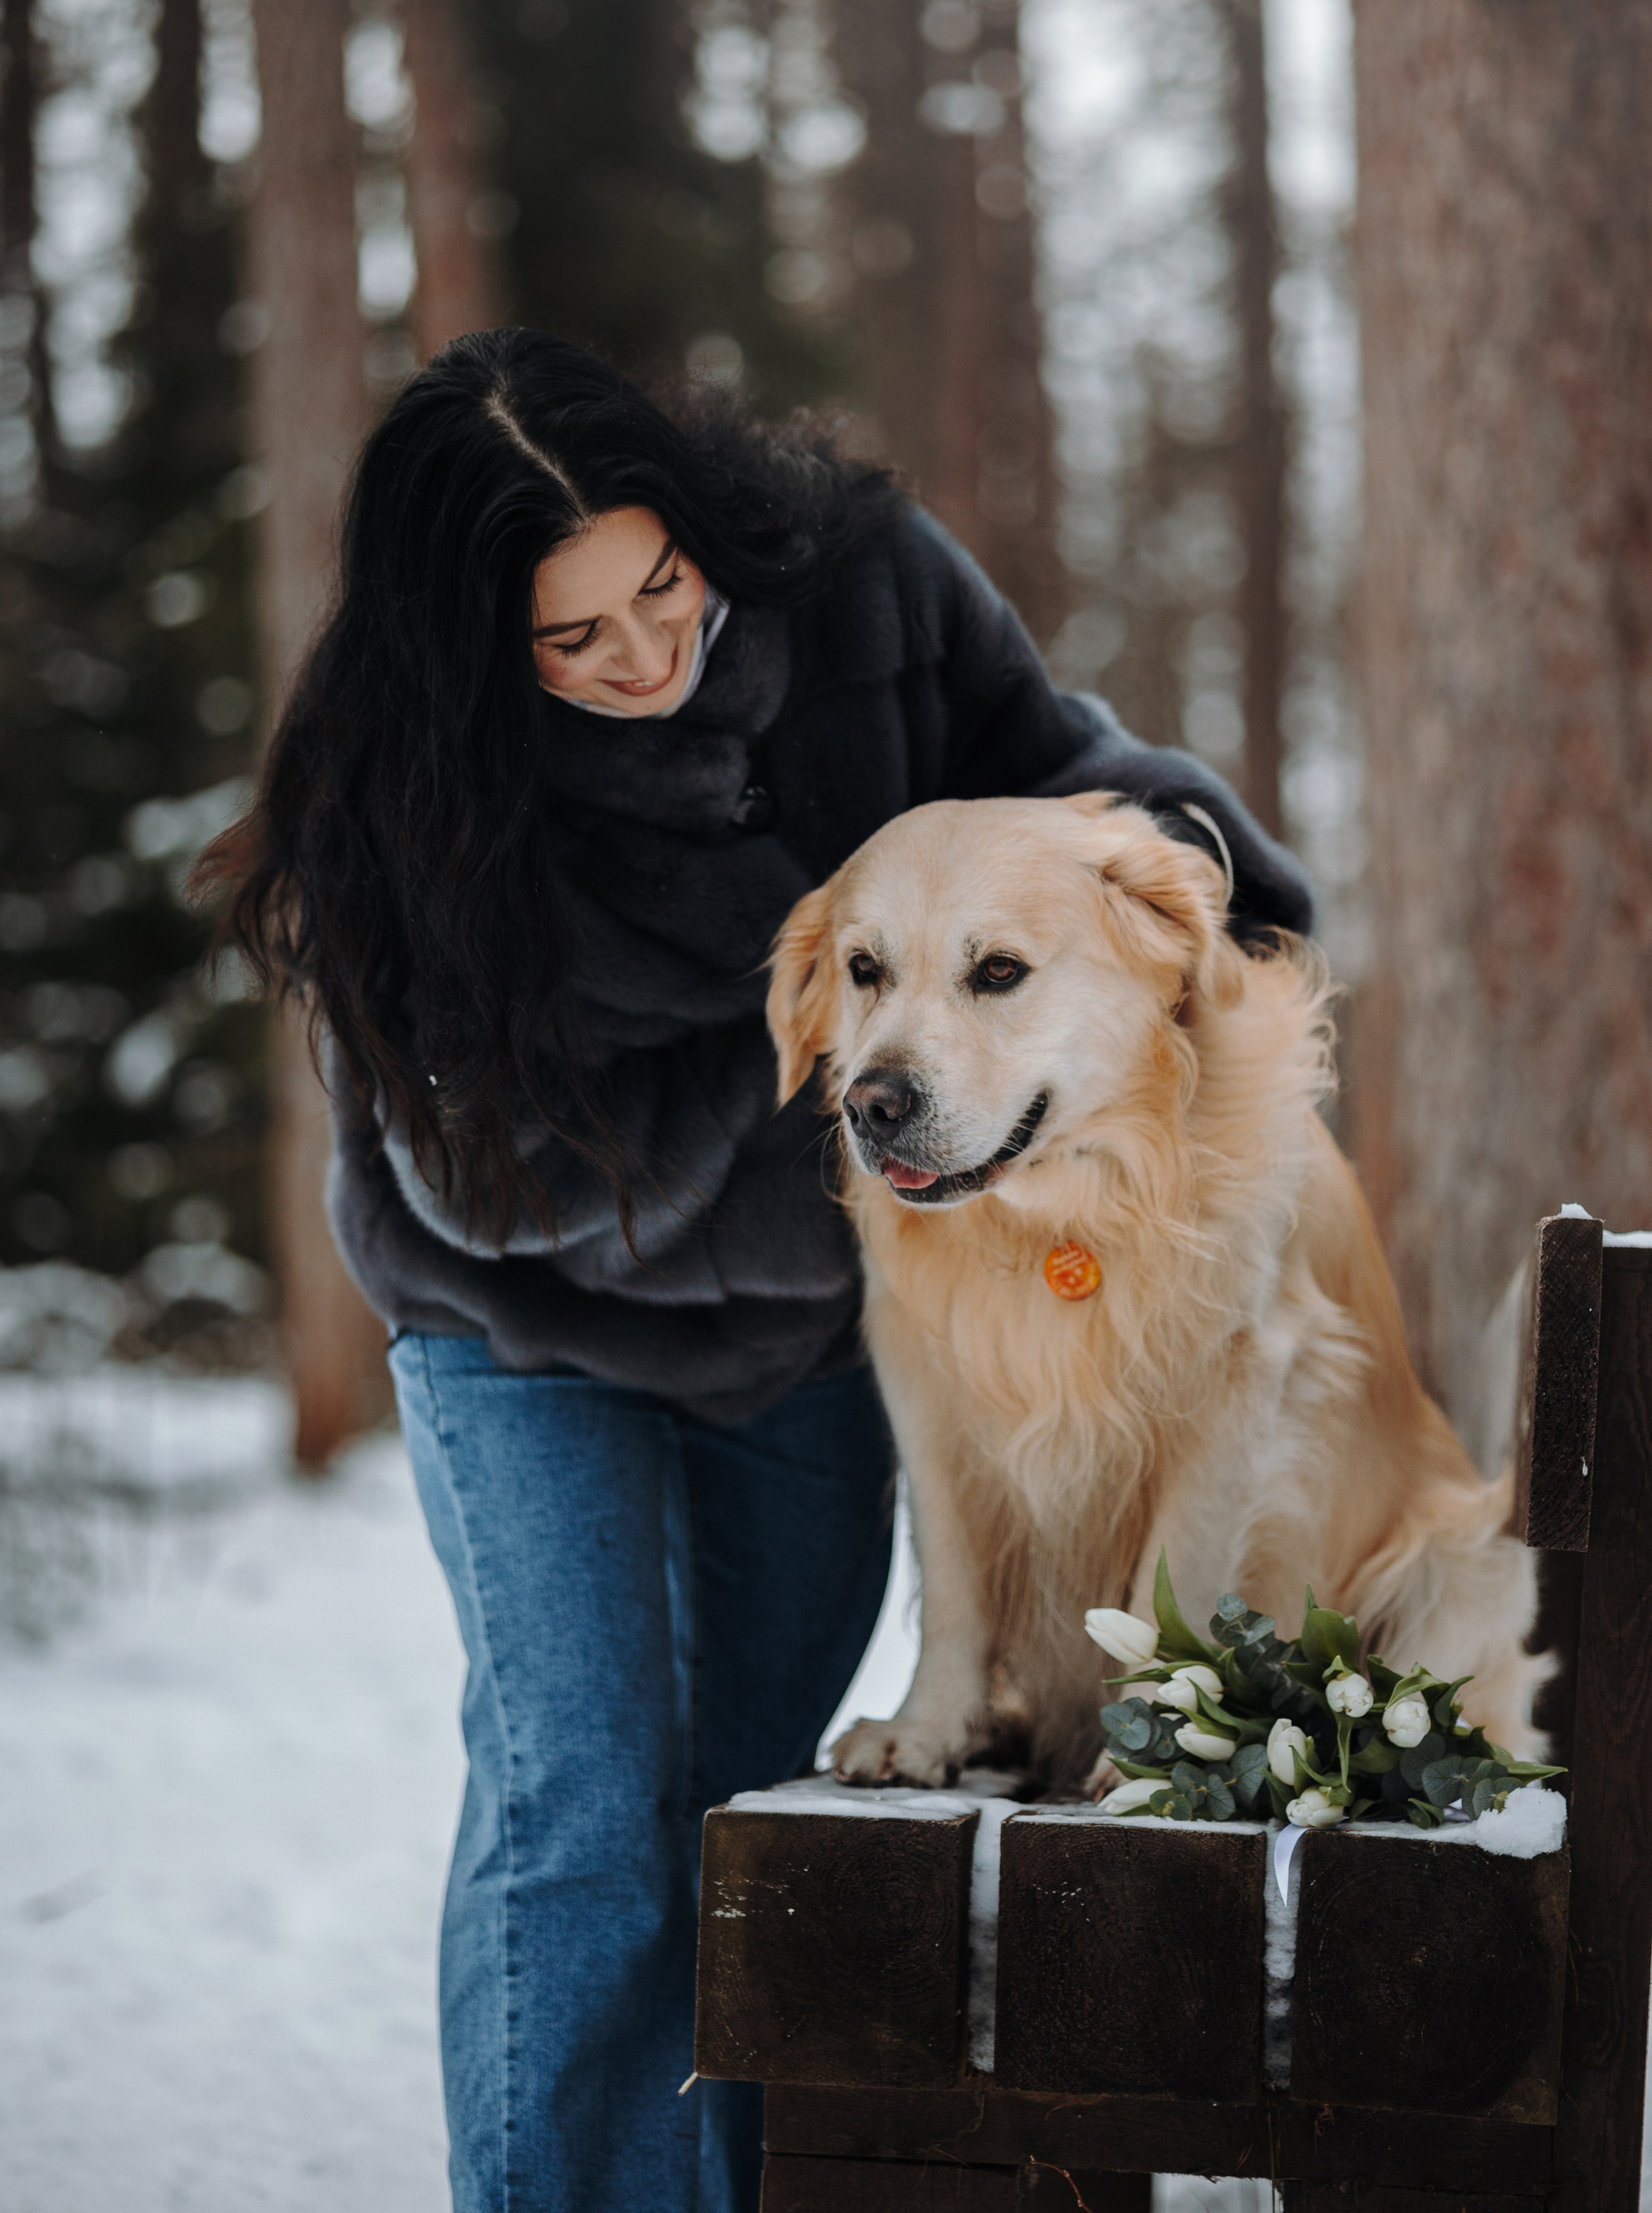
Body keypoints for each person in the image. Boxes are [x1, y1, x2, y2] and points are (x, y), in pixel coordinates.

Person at [204, 328, 1311, 2213]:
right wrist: (817, 1013)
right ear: (474, 648)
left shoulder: (865, 588)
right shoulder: (404, 792)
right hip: (527, 1339)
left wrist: (1190, 889)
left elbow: (1050, 774)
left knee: (738, 1821)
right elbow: (496, 1188)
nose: (644, 656)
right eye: (572, 641)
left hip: (802, 1338)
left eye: (663, 589)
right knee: (583, 1812)